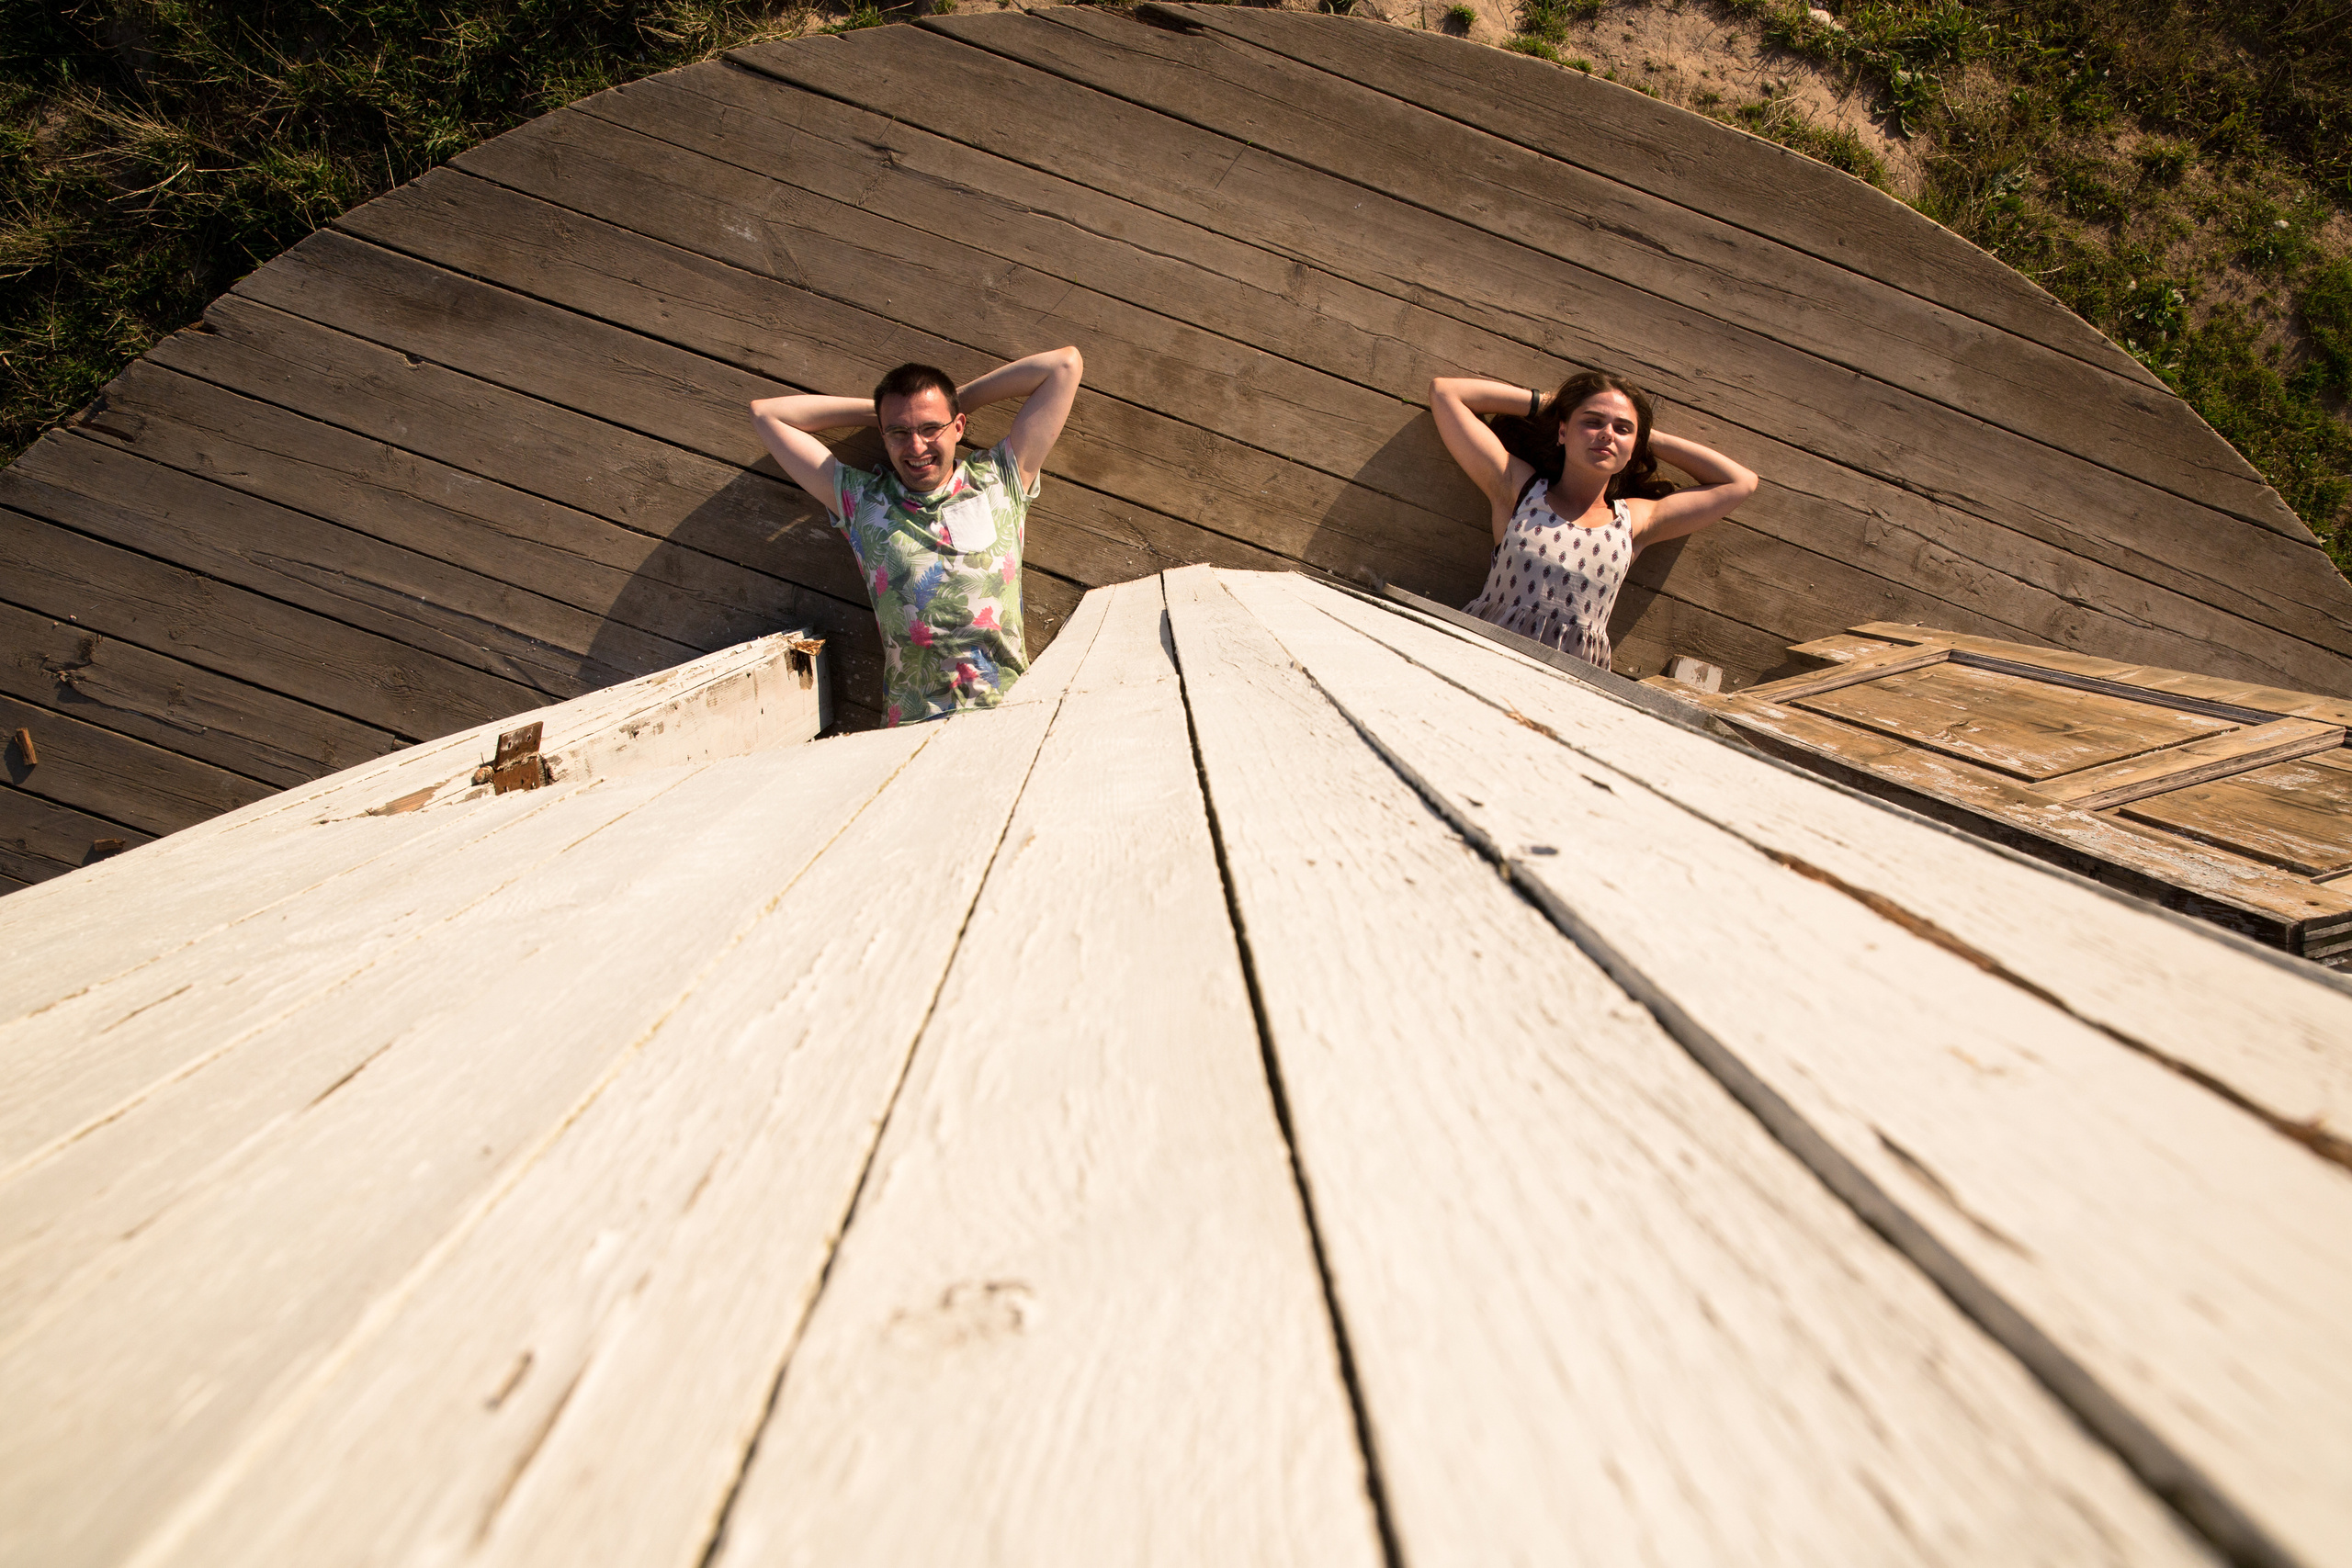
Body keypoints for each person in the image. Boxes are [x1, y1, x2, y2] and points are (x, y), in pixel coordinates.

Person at [751, 347, 1083, 726]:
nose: (916, 446)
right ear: (883, 435)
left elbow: (1065, 365)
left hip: (1009, 716)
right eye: (899, 432)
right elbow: (766, 414)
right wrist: (878, 414)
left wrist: (959, 397)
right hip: (909, 729)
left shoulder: (1002, 479)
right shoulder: (862, 502)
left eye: (930, 428)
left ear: (958, 426)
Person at [1429, 370, 1758, 671]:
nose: (1607, 434)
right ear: (1562, 431)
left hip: (1569, 686)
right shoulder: (1518, 489)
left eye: (1622, 428)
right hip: (1481, 660)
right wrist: (1553, 405)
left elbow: (1741, 483)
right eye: (1592, 421)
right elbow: (1445, 392)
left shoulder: (1635, 522)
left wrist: (1643, 438)